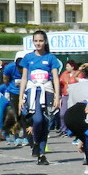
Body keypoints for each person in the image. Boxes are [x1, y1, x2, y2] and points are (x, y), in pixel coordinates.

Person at [17, 30, 62, 166]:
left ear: (45, 41)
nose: (38, 43)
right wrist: (20, 98)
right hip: (33, 91)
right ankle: (36, 142)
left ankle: (41, 154)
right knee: (37, 119)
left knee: (46, 123)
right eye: (36, 41)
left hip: (47, 91)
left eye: (41, 41)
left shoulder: (51, 58)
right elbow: (24, 78)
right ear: (33, 41)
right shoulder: (28, 58)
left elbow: (55, 78)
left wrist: (57, 96)